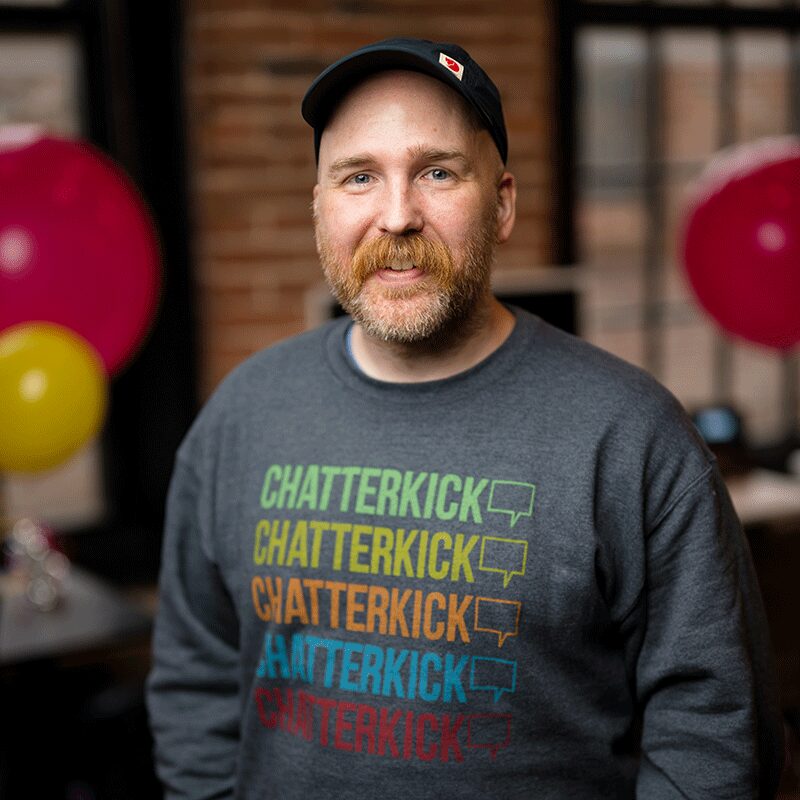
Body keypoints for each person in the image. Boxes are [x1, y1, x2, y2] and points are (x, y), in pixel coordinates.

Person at [147, 37, 785, 799]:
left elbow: (714, 729)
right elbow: (195, 677)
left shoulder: (632, 435)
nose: (396, 216)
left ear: (504, 202)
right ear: (318, 206)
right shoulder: (241, 417)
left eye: (437, 172)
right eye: (358, 177)